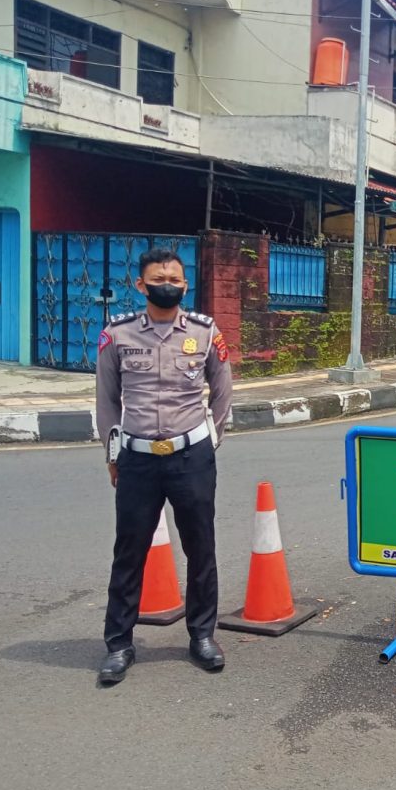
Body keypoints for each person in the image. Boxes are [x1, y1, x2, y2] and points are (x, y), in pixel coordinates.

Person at [95, 248, 233, 684]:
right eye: (158, 278)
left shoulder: (205, 331)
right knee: (129, 551)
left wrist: (211, 442)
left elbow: (223, 389)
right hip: (137, 459)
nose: (167, 284)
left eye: (175, 278)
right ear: (141, 285)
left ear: (185, 284)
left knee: (201, 548)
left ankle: (202, 636)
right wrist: (112, 454)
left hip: (191, 457)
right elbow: (106, 401)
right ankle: (119, 644)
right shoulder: (117, 335)